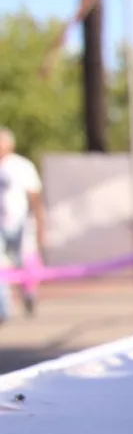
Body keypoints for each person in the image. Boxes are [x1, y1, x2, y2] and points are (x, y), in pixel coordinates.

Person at [0, 127, 45, 322]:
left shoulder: (22, 166)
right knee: (1, 267)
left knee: (22, 263)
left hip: (21, 224)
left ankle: (28, 295)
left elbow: (34, 197)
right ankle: (3, 309)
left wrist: (40, 223)